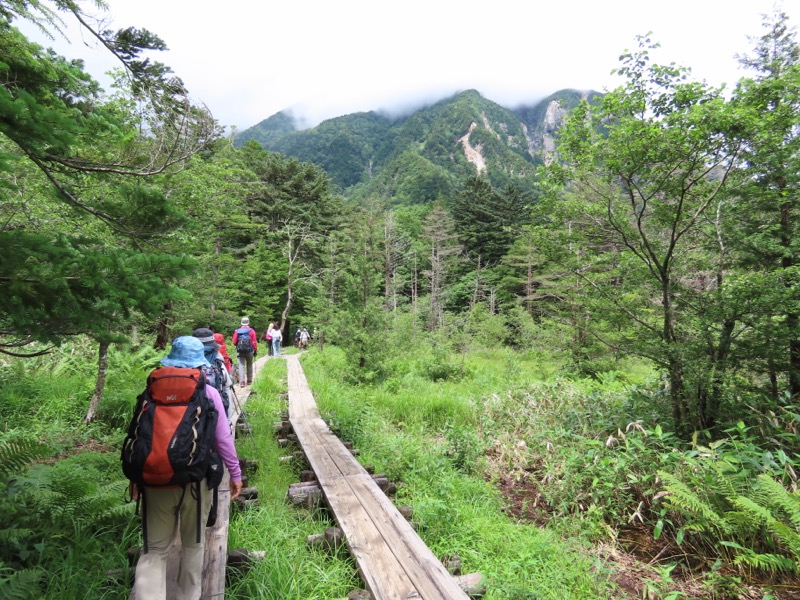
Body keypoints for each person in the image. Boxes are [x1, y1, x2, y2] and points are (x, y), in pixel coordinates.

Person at [129, 336, 242, 600]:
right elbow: (223, 440)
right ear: (199, 363)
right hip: (195, 481)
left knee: (155, 550)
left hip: (155, 481)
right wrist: (235, 474)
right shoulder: (208, 392)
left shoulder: (151, 392)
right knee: (193, 545)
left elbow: (138, 437)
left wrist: (136, 478)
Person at [193, 327, 234, 421]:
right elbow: (226, 386)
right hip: (213, 409)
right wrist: (228, 421)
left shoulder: (183, 360)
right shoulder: (217, 357)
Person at [232, 317, 257, 388]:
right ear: (248, 322)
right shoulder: (251, 331)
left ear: (241, 323)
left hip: (240, 351)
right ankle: (249, 380)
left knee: (241, 365)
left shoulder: (237, 331)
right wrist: (255, 349)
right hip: (249, 350)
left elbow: (234, 342)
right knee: (249, 364)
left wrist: (239, 345)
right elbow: (254, 342)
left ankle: (242, 382)